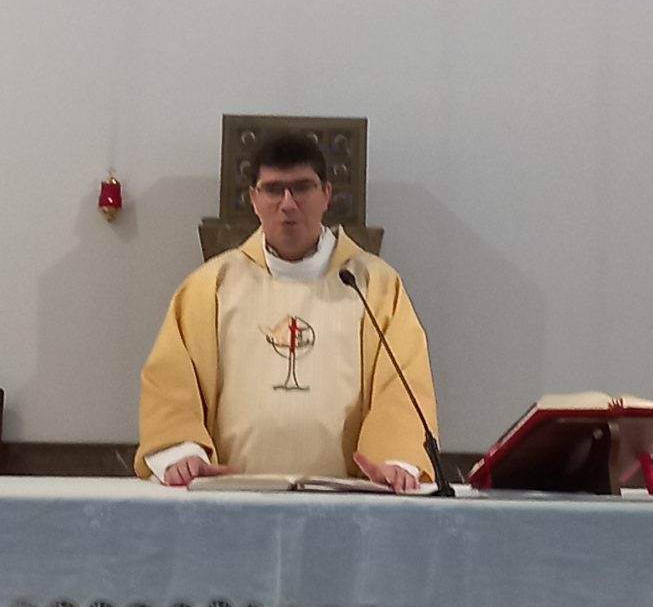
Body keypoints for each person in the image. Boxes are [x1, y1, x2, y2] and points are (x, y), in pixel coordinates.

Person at [136, 130, 437, 490]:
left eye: (302, 187)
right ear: (254, 199)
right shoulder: (211, 286)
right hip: (231, 498)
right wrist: (183, 452)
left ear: (326, 195)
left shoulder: (375, 285)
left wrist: (394, 460)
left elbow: (401, 382)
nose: (288, 203)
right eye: (273, 189)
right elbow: (172, 380)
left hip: (346, 502)